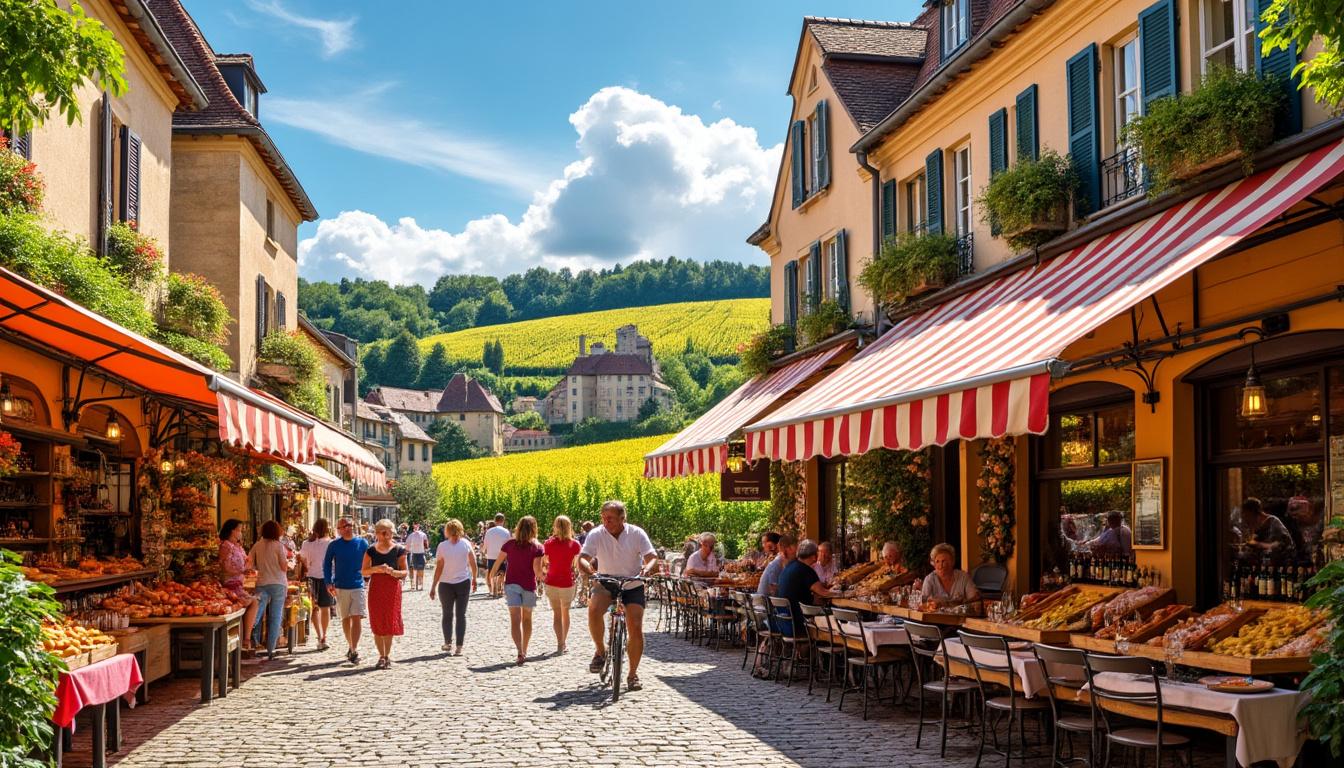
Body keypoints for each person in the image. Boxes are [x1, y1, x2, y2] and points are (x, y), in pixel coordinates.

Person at [579, 500, 657, 692]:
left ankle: (632, 674)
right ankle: (600, 650)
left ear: (623, 518)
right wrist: (589, 569)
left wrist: (646, 569)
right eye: (603, 518)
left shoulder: (636, 533)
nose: (606, 522)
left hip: (633, 583)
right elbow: (582, 557)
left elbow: (652, 557)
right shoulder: (596, 534)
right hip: (606, 581)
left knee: (636, 626)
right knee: (594, 610)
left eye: (611, 518)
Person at [490, 515, 545, 664]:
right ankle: (525, 650)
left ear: (518, 528)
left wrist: (491, 575)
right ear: (534, 529)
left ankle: (519, 650)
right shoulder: (537, 547)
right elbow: (537, 570)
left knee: (515, 619)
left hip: (512, 584)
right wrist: (545, 577)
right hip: (529, 585)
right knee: (527, 619)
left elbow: (498, 562)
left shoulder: (509, 544)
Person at [362, 519, 407, 669]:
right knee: (377, 621)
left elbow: (404, 571)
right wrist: (377, 569)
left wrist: (393, 572)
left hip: (392, 588)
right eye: (382, 532)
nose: (385, 535)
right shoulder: (371, 550)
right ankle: (381, 655)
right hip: (376, 588)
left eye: (388, 531)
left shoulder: (399, 550)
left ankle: (386, 655)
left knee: (389, 621)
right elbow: (364, 571)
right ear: (377, 533)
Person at [324, 516, 370, 664]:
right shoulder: (334, 545)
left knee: (356, 617)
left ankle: (354, 648)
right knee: (345, 618)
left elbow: (370, 560)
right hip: (340, 585)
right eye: (343, 526)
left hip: (358, 585)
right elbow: (326, 564)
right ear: (338, 530)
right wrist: (328, 582)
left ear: (353, 526)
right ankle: (350, 645)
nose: (347, 528)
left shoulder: (362, 543)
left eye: (349, 525)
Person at [429, 518, 477, 655]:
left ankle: (447, 642)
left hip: (445, 584)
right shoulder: (466, 544)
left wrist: (433, 586)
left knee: (447, 614)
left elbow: (439, 567)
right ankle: (459, 646)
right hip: (463, 582)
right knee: (461, 615)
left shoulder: (442, 546)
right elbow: (473, 563)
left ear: (447, 531)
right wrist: (474, 578)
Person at [248, 519, 290, 661]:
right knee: (275, 616)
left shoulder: (257, 545)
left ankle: (252, 640)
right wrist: (288, 564)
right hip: (278, 583)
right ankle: (271, 649)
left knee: (257, 614)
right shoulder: (279, 546)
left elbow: (249, 563)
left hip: (261, 582)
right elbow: (284, 567)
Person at [542, 515, 582, 654]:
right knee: (565, 612)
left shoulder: (548, 543)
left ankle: (559, 643)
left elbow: (545, 562)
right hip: (567, 581)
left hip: (552, 581)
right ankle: (563, 643)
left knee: (557, 614)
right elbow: (576, 565)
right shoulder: (575, 544)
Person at [217, 520, 259, 651]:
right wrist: (241, 570)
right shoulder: (226, 546)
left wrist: (248, 566)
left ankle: (246, 639)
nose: (241, 532)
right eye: (239, 530)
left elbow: (246, 562)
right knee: (253, 602)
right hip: (230, 585)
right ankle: (246, 640)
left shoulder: (238, 547)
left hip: (239, 583)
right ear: (232, 531)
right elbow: (225, 567)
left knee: (254, 602)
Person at [777, 540, 831, 636]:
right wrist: (845, 594)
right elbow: (824, 593)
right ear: (814, 556)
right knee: (833, 614)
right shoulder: (806, 571)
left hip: (783, 621)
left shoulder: (789, 567)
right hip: (799, 622)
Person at [297, 518, 334, 652]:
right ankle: (324, 636)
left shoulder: (306, 543)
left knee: (314, 608)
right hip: (326, 578)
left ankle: (319, 636)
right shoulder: (330, 543)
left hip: (310, 577)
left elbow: (303, 559)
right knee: (325, 608)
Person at [1237, 497, 1296, 565]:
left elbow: (1280, 546)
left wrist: (1257, 544)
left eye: (1247, 516)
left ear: (1254, 513)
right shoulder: (1259, 527)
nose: (1247, 520)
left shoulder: (1273, 523)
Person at [921, 543, 981, 607]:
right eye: (937, 561)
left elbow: (975, 598)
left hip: (959, 616)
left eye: (944, 561)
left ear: (952, 562)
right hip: (935, 616)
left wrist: (945, 604)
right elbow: (924, 604)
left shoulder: (963, 577)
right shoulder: (929, 580)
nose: (940, 565)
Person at [482, 513, 511, 598]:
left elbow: (485, 544)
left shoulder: (489, 531)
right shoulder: (506, 532)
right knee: (501, 572)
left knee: (492, 573)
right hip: (502, 555)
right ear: (503, 521)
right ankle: (500, 588)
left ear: (495, 521)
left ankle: (494, 588)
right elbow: (509, 544)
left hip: (491, 555)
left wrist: (484, 551)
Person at [404, 522, 430, 591]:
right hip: (417, 553)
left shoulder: (412, 535)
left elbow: (407, 544)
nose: (415, 527)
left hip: (416, 553)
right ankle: (417, 584)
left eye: (416, 526)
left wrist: (407, 550)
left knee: (414, 569)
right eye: (415, 526)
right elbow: (426, 545)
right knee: (416, 569)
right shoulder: (419, 535)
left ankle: (417, 584)